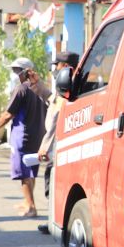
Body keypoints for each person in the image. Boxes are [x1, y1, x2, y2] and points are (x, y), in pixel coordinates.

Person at [0, 58, 47, 217]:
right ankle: (27, 202)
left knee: (24, 173)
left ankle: (31, 207)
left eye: (16, 70)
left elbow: (8, 114)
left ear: (27, 71)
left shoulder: (21, 89)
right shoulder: (39, 89)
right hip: (38, 136)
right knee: (31, 172)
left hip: (23, 137)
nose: (14, 73)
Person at [36, 52, 78, 234]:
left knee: (53, 182)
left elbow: (54, 123)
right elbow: (49, 99)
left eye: (58, 66)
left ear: (67, 67)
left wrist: (44, 147)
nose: (55, 70)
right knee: (52, 181)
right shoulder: (63, 89)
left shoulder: (70, 89)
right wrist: (36, 83)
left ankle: (55, 220)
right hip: (59, 146)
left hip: (62, 146)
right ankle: (53, 218)